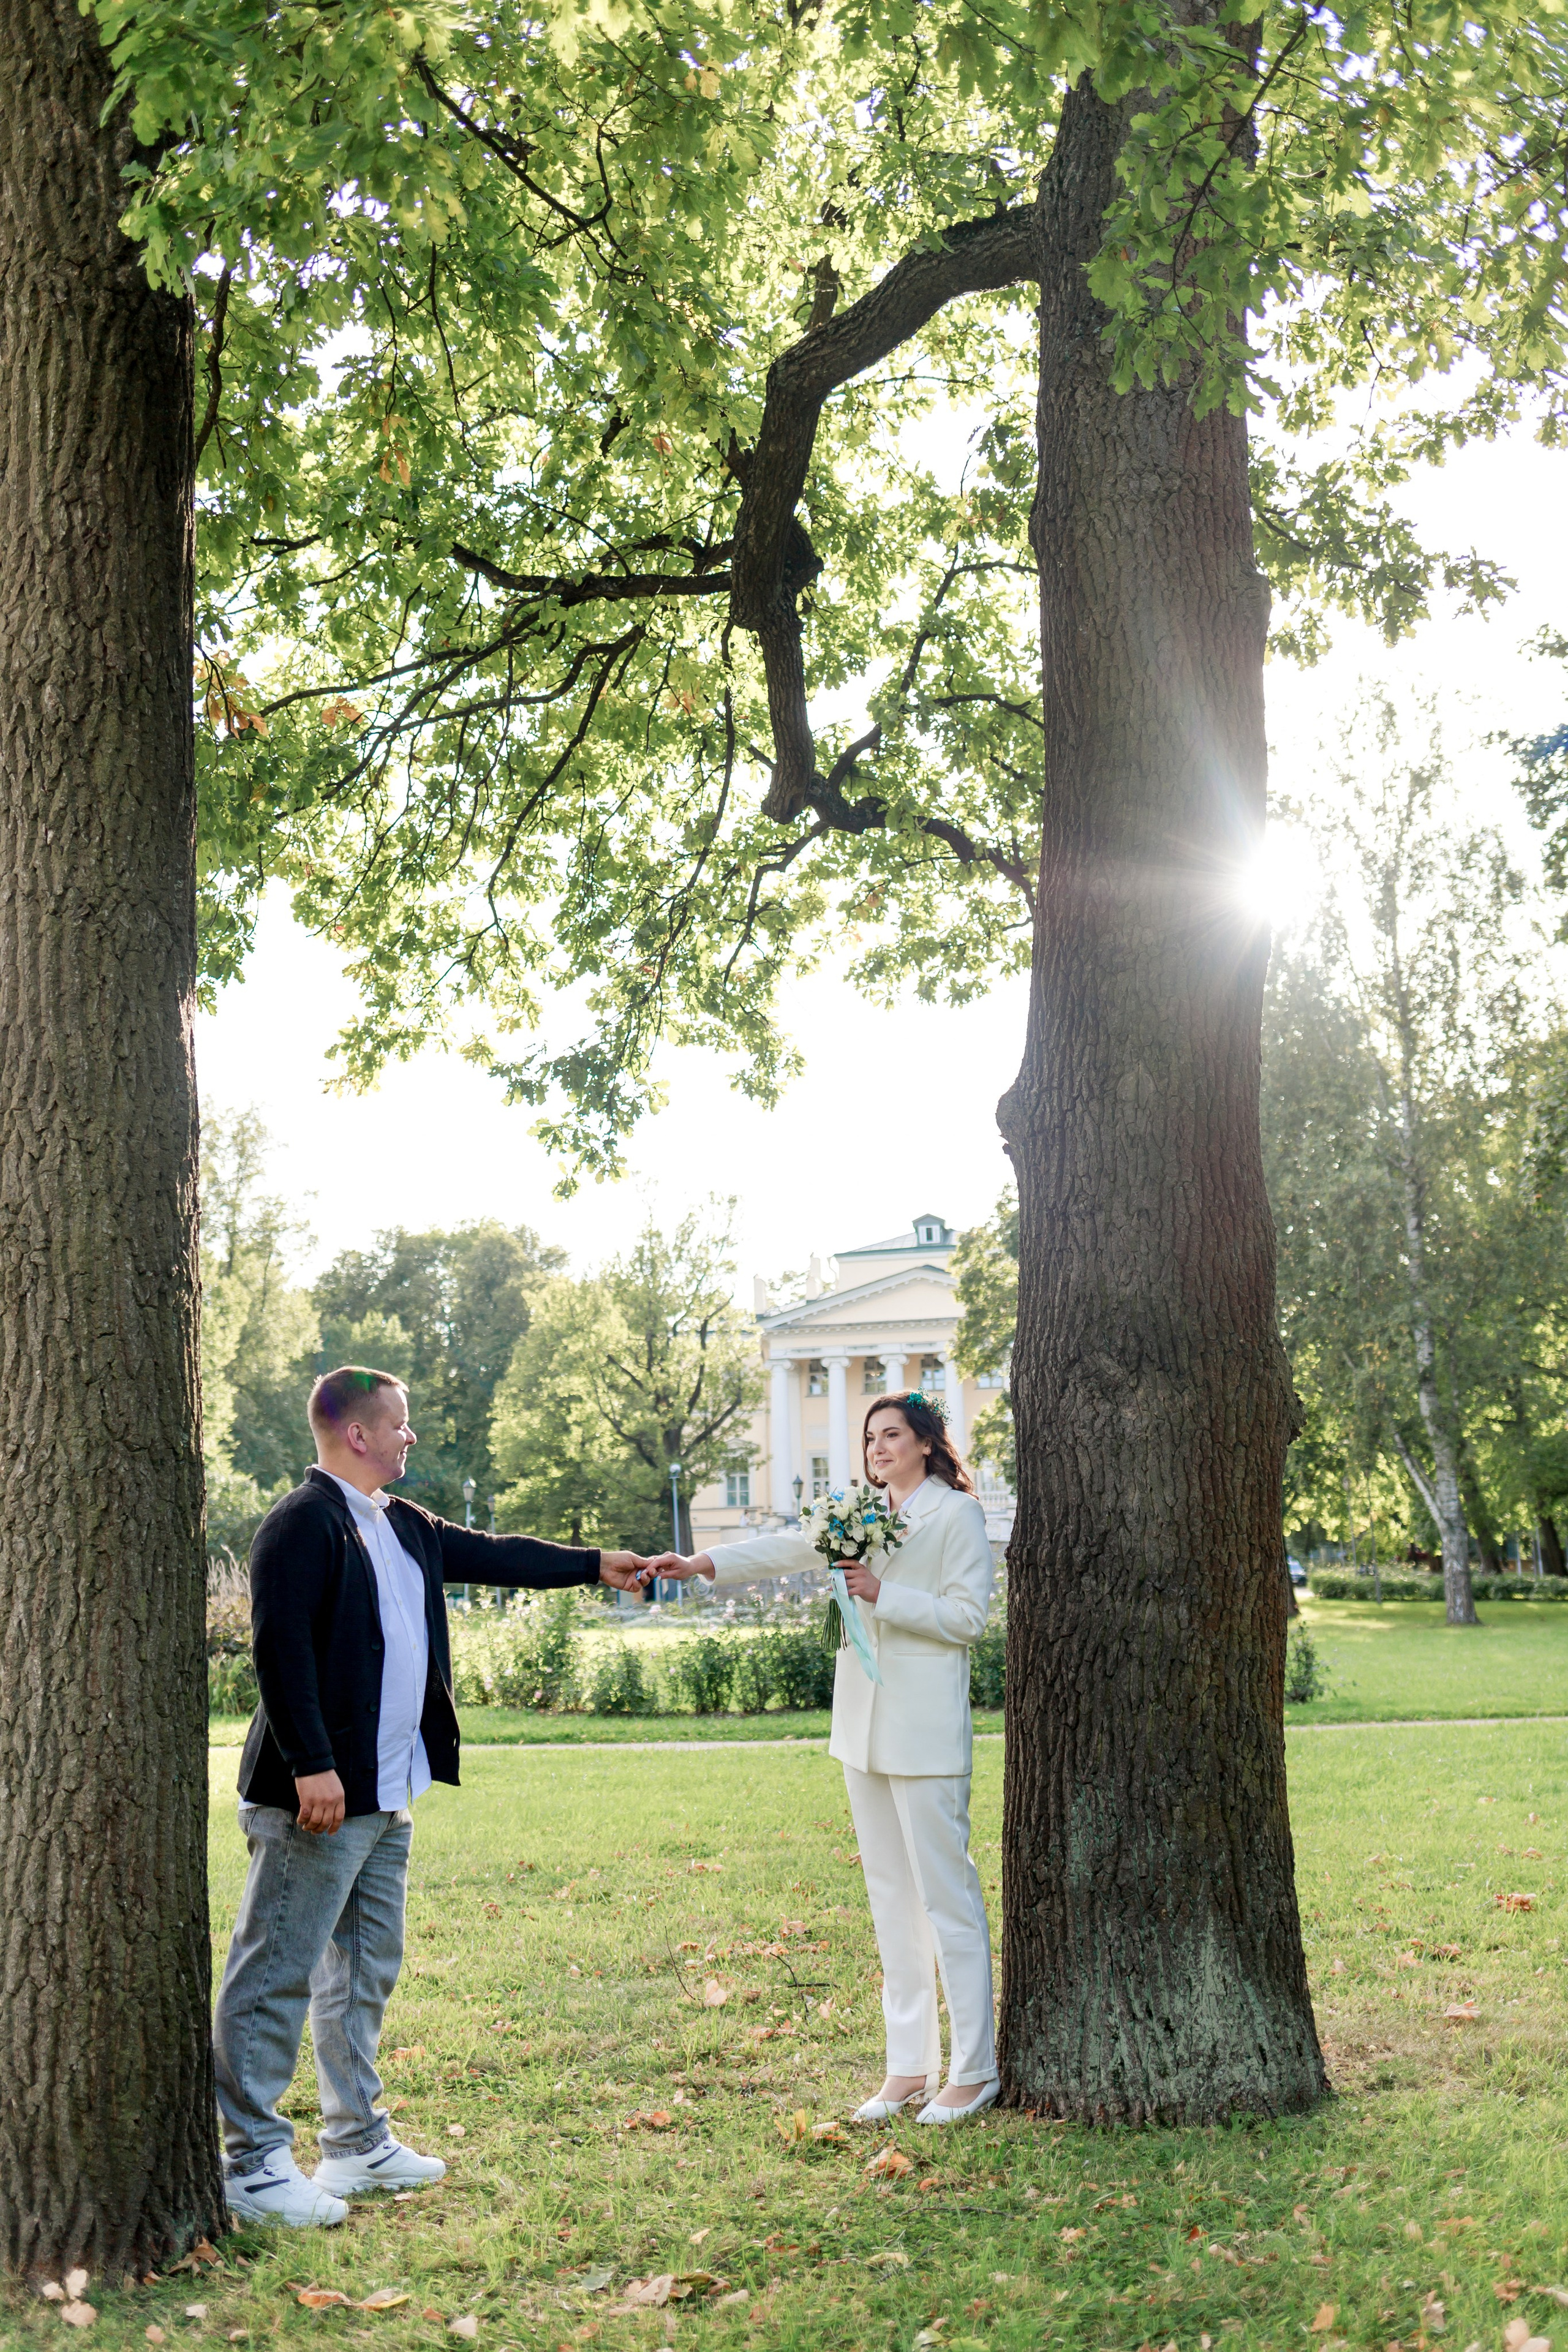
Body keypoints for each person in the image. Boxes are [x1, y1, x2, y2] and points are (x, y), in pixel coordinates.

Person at [214, 1364, 649, 2227]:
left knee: (364, 1969)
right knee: (276, 1972)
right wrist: (311, 1764)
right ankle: (253, 2164)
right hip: (318, 1797)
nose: (411, 1437)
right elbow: (280, 1649)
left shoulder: (400, 1522)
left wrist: (599, 1565)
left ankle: (356, 2145)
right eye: (400, 1425)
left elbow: (495, 1555)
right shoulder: (301, 1525)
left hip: (386, 1793)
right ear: (359, 1435)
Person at [647, 1389, 998, 2124]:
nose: (877, 1448)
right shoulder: (855, 1514)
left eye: (892, 1435)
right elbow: (782, 1547)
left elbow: (967, 1620)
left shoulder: (956, 1514)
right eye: (870, 1437)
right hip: (861, 1732)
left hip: (926, 1734)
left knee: (947, 1903)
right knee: (890, 1905)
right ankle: (907, 2069)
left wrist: (882, 1592)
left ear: (926, 1444)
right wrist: (700, 1561)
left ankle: (973, 2071)